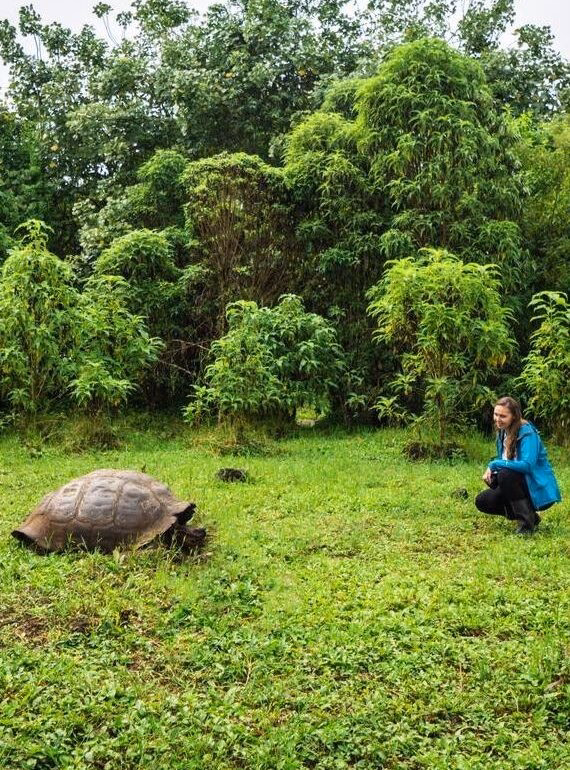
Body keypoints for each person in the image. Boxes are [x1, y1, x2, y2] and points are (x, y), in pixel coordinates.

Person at [475, 396, 561, 534]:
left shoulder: (527, 433)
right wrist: (493, 476)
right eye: (496, 414)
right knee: (483, 501)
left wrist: (494, 464)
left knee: (505, 474)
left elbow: (527, 466)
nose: (498, 419)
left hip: (535, 485)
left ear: (514, 417)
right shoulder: (502, 432)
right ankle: (531, 517)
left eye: (503, 416)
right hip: (516, 483)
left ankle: (526, 526)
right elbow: (507, 462)